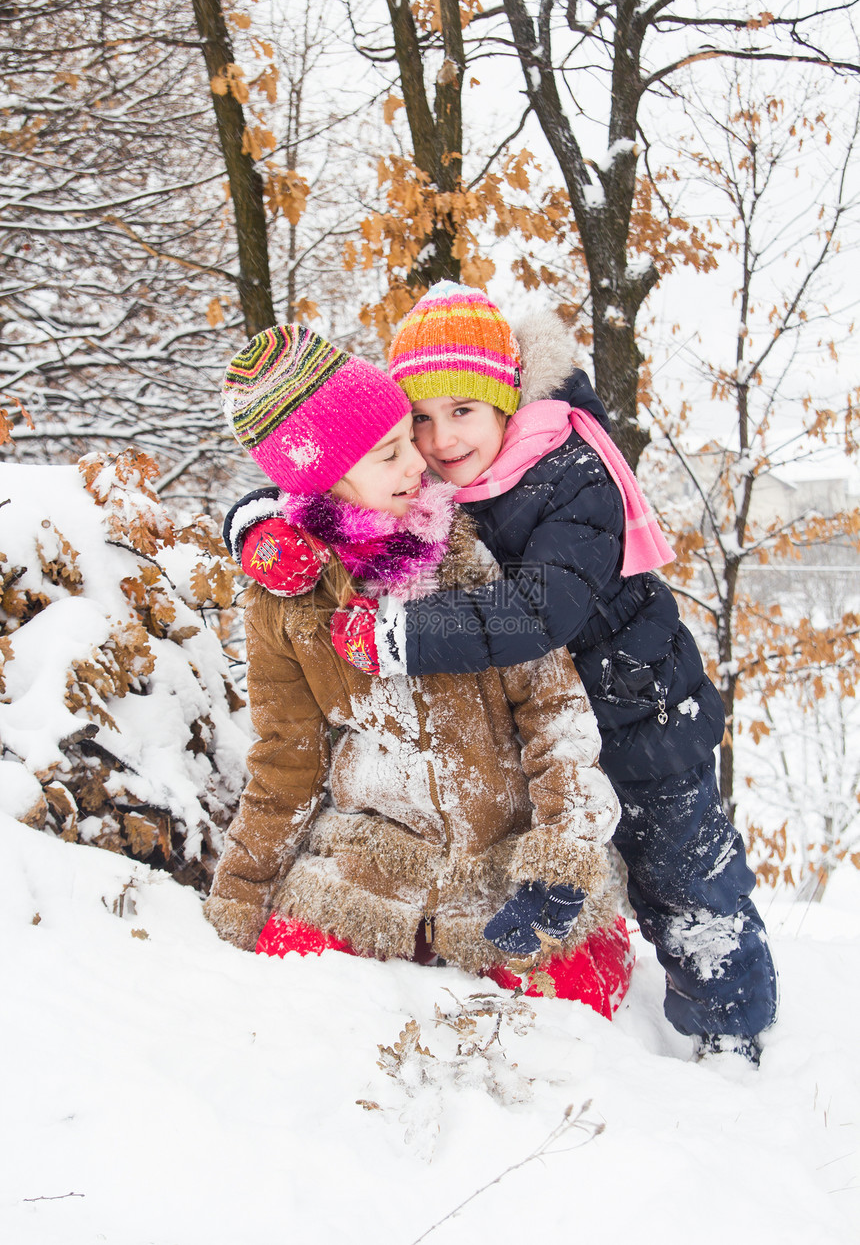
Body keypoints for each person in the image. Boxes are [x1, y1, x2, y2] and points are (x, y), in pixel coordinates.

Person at [227, 287, 779, 1066]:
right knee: (593, 877)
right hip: (543, 735)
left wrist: (398, 636)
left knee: (688, 885)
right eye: (418, 418)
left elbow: (538, 611)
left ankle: (731, 1030)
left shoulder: (570, 473)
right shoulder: (439, 487)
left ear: (506, 401)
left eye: (462, 411)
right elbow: (325, 476)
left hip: (638, 720)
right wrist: (256, 522)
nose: (438, 441)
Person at [205, 323, 634, 1020]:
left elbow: (554, 713)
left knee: (568, 1011)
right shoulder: (287, 599)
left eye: (411, 438)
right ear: (326, 480)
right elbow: (285, 757)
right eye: (389, 453)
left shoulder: (464, 549)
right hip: (374, 859)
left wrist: (562, 852)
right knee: (295, 997)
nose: (420, 464)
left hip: (500, 852)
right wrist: (240, 897)